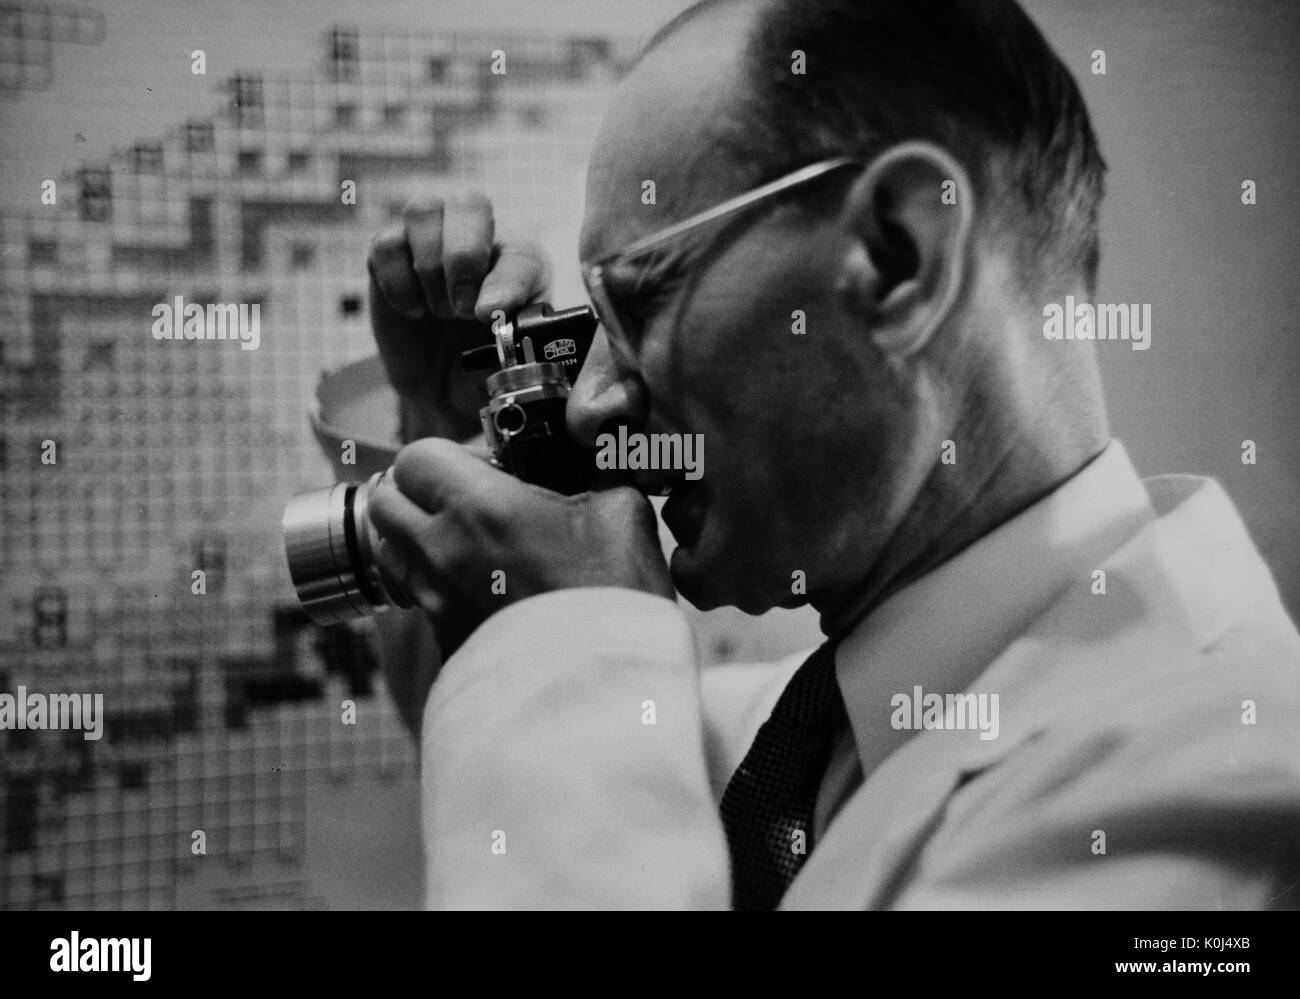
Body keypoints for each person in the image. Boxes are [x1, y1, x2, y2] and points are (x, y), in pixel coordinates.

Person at [342, 0, 1300, 908]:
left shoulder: (1221, 779)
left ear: (899, 256)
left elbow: (568, 760)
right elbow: (507, 756)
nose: (593, 410)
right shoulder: (809, 740)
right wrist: (451, 438)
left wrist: (570, 638)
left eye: (639, 301)